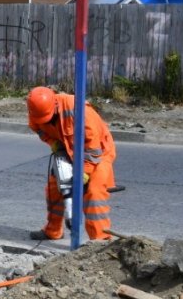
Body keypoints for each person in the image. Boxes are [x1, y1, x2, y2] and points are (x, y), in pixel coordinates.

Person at [25, 86, 117, 241]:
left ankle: (101, 241)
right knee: (55, 188)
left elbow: (93, 148)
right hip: (67, 150)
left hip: (98, 153)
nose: (45, 121)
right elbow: (39, 130)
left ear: (54, 104)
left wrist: (85, 174)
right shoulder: (36, 112)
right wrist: (53, 143)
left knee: (94, 193)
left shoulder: (79, 110)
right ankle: (53, 231)